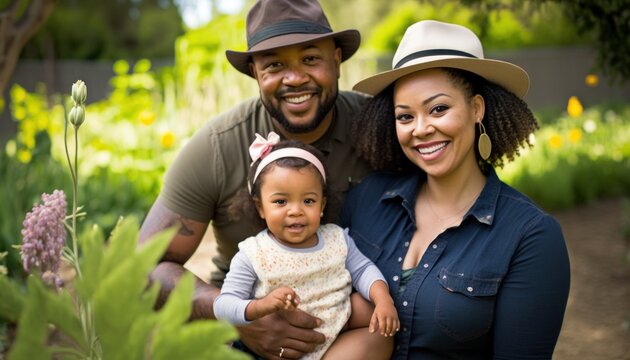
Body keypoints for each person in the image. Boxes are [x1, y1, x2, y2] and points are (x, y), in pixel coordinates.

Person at [138, 0, 371, 358]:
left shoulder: (379, 129)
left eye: (310, 59)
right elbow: (142, 267)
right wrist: (239, 319)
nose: (294, 78)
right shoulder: (218, 146)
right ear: (255, 73)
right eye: (275, 65)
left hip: (354, 326)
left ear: (337, 59)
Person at [340, 20, 571, 359]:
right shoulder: (366, 200)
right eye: (405, 117)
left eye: (438, 109)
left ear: (476, 108)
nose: (421, 129)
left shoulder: (530, 236)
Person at [214, 133, 399, 359]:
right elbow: (223, 306)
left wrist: (383, 299)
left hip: (337, 328)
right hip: (282, 348)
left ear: (322, 204)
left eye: (308, 201)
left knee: (376, 322)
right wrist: (261, 306)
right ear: (260, 207)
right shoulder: (254, 253)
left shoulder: (336, 238)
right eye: (281, 201)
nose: (296, 211)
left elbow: (362, 270)